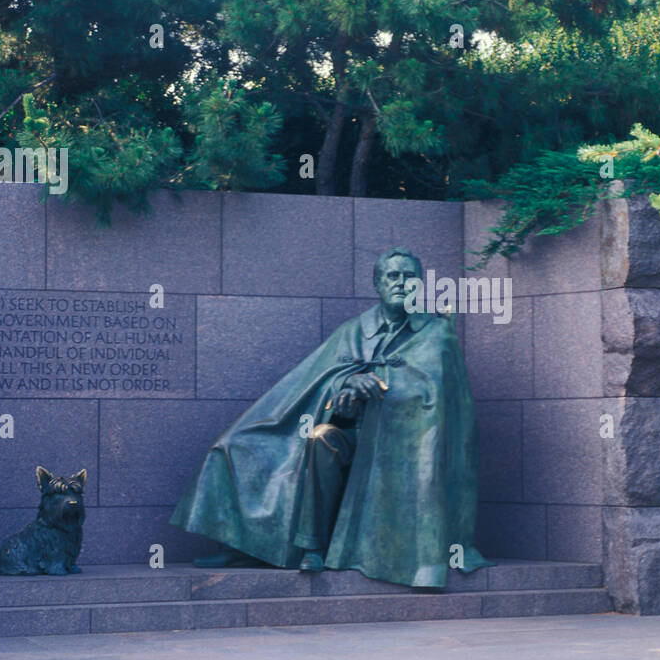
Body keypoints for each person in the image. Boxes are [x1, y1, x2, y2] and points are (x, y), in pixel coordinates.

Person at [171, 247, 491, 588]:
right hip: (348, 433)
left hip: (400, 447)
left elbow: (437, 400)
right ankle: (266, 546)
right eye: (392, 276)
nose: (401, 283)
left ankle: (331, 548)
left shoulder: (436, 333)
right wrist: (345, 384)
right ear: (378, 284)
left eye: (409, 276)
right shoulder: (353, 331)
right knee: (248, 444)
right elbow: (315, 381)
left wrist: (384, 385)